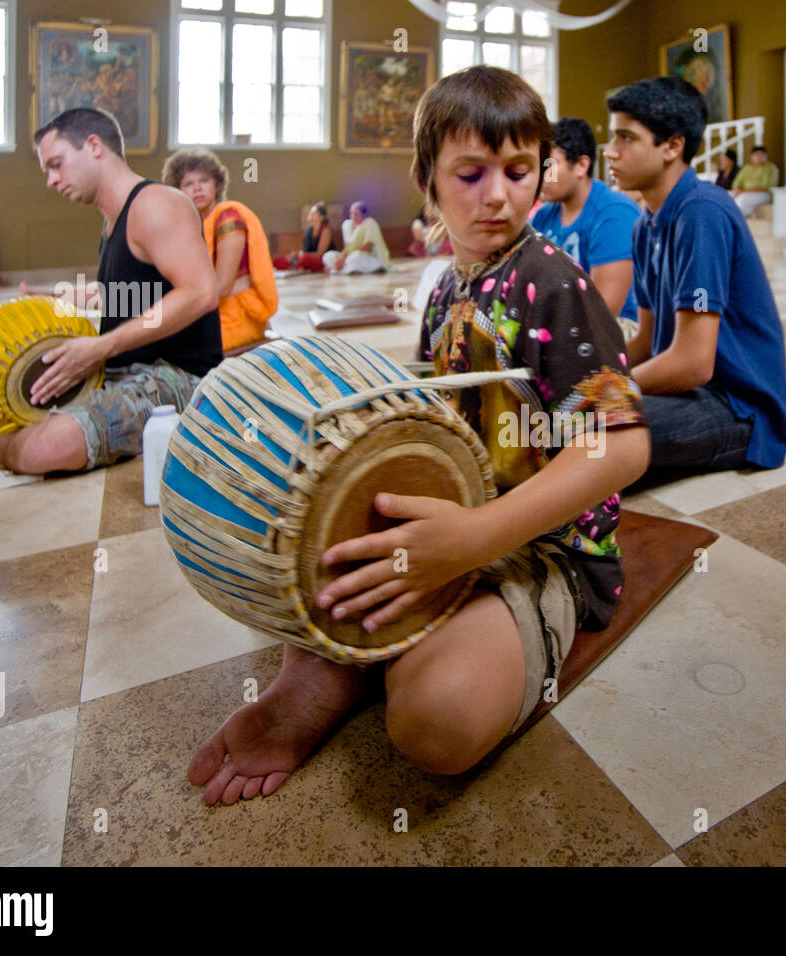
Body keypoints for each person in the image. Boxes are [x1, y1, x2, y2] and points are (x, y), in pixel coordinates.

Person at [187, 65, 649, 802]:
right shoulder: (445, 288)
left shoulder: (556, 282)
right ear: (427, 181)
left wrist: (472, 539)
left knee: (436, 723)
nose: (496, 194)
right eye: (470, 173)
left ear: (541, 176)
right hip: (454, 517)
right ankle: (325, 670)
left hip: (545, 548)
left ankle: (361, 659)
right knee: (321, 544)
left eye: (519, 171)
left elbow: (623, 445)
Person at [0, 107, 220, 479]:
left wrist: (100, 347)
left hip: (177, 379)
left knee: (48, 446)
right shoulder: (112, 222)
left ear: (93, 146)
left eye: (56, 164)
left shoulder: (156, 204)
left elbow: (200, 293)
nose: (51, 181)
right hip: (118, 369)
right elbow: (140, 297)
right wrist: (61, 298)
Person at [604, 76, 786, 475]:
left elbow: (692, 363)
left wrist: (605, 394)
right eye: (611, 138)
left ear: (672, 145)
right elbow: (650, 341)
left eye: (626, 138)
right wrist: (590, 377)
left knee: (581, 431)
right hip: (688, 394)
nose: (610, 152)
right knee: (560, 420)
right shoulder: (645, 224)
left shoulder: (702, 211)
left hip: (736, 408)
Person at [164, 147, 277, 352]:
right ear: (178, 190)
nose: (197, 188)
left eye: (204, 181)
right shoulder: (193, 227)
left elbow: (222, 286)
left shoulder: (228, 217)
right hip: (210, 312)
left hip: (236, 318)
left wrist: (173, 304)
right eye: (188, 183)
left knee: (164, 340)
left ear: (217, 184)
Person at [532, 116, 640, 323]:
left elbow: (603, 309)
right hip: (556, 320)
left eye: (549, 166)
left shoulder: (615, 214)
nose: (541, 176)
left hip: (615, 326)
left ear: (581, 165)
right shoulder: (544, 215)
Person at [271, 202, 333, 272]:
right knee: (277, 259)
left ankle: (294, 267)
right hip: (306, 257)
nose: (310, 214)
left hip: (320, 259)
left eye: (313, 213)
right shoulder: (308, 230)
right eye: (311, 213)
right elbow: (305, 250)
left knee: (304, 259)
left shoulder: (325, 230)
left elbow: (319, 253)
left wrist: (302, 255)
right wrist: (295, 255)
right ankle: (294, 265)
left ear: (321, 217)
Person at [331, 201, 390, 273]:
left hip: (366, 256)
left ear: (364, 215)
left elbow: (368, 245)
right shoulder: (347, 225)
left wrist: (346, 259)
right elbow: (347, 247)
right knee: (328, 256)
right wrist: (341, 259)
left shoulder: (369, 223)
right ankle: (343, 267)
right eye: (351, 213)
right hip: (350, 257)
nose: (353, 216)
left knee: (356, 256)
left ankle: (344, 267)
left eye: (356, 214)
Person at [730, 145, 779, 216]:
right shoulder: (747, 168)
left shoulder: (770, 168)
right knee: (726, 195)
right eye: (756, 155)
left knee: (742, 199)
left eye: (762, 154)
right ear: (752, 157)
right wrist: (738, 190)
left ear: (766, 156)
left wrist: (743, 192)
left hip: (763, 194)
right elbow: (736, 183)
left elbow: (764, 187)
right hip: (744, 192)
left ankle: (736, 219)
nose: (759, 157)